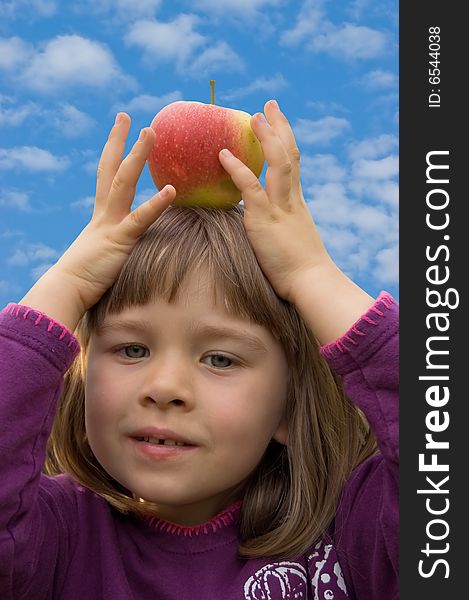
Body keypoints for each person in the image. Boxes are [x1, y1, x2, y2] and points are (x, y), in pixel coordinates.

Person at [0, 100, 398, 600]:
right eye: (131, 349)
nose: (164, 388)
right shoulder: (52, 538)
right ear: (79, 374)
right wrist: (68, 282)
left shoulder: (355, 537)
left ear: (289, 406)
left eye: (220, 359)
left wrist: (313, 277)